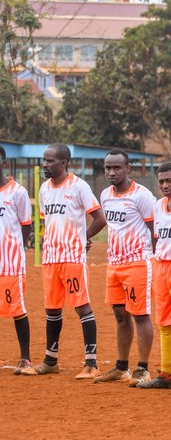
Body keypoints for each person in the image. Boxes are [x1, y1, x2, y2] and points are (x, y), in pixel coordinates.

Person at [33, 144, 106, 378]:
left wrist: (82, 237)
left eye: (50, 161)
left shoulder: (79, 186)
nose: (45, 164)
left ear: (63, 163)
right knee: (52, 309)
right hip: (51, 258)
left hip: (72, 258)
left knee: (82, 306)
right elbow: (49, 221)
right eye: (44, 160)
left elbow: (100, 218)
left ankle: (91, 364)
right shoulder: (44, 189)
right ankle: (50, 360)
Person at [93, 150, 157, 385]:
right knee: (120, 316)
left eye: (117, 167)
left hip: (137, 263)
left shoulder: (142, 195)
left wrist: (156, 255)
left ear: (128, 168)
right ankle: (121, 367)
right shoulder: (105, 195)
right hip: (114, 264)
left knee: (140, 315)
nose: (111, 172)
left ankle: (143, 368)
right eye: (108, 167)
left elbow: (155, 228)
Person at [140, 162, 171, 389]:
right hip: (161, 267)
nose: (165, 185)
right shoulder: (158, 206)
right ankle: (166, 374)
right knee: (165, 321)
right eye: (161, 181)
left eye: (169, 180)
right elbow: (157, 236)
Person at [0, 146, 35, 374]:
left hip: (10, 264)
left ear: (3, 163)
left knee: (17, 310)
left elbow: (26, 227)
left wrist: (13, 250)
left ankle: (26, 359)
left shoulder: (17, 192)